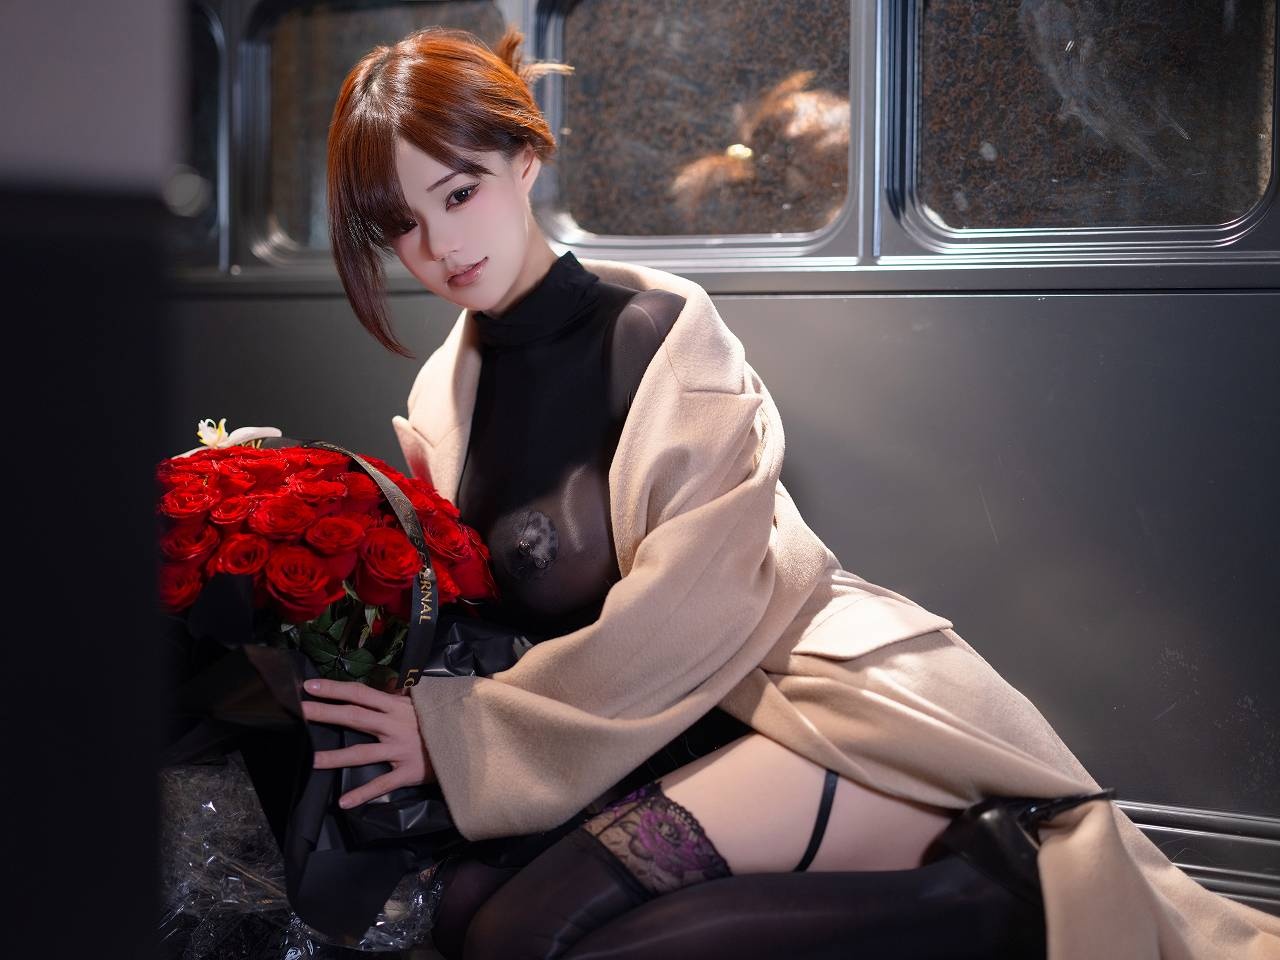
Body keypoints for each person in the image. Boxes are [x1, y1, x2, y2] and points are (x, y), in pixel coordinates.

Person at [300, 23, 1280, 960]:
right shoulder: (443, 393)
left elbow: (689, 614)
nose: (441, 245)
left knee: (518, 940)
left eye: (459, 191)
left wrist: (460, 737)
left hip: (800, 708)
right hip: (647, 731)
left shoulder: (660, 336)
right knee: (462, 915)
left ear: (524, 158)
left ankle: (1001, 897)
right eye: (403, 225)